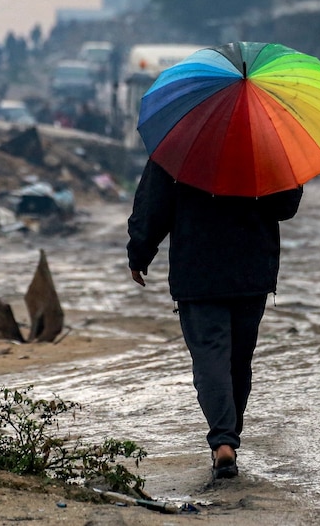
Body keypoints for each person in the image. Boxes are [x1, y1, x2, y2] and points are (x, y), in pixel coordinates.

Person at [126, 159, 303, 480]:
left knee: (211, 356)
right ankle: (228, 439)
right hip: (251, 270)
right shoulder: (267, 149)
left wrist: (139, 253)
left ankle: (223, 440)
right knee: (239, 360)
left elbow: (153, 205)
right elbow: (285, 207)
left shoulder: (178, 147)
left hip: (197, 271)